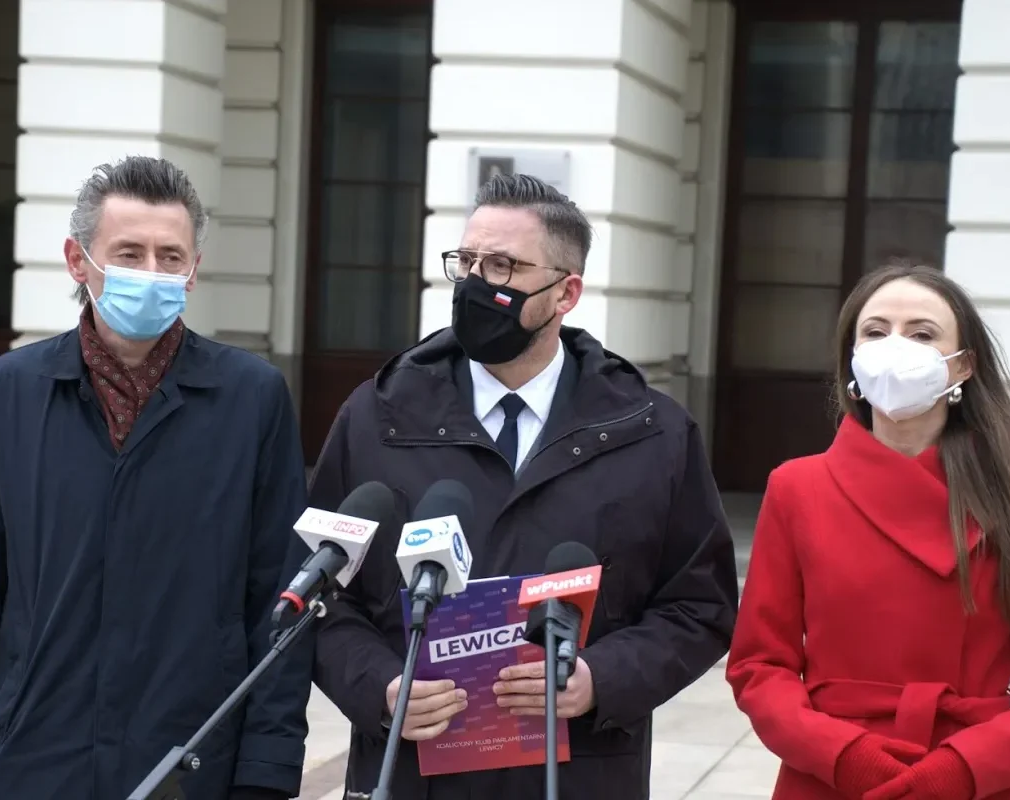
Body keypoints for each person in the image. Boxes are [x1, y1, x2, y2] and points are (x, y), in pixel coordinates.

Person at [308, 173, 739, 798]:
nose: (478, 283)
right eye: (468, 262)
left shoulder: (652, 432)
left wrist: (601, 679)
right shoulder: (378, 416)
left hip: (580, 773)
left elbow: (699, 607)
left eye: (504, 266)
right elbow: (320, 595)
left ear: (566, 293)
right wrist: (378, 686)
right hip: (409, 772)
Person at [0, 156, 313, 800]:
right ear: (78, 261)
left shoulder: (251, 399)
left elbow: (278, 602)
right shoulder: (7, 393)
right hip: (31, 758)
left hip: (190, 764)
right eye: (129, 253)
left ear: (193, 271)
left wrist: (267, 774)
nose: (151, 273)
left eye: (170, 257)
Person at [726, 261, 1010, 800]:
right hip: (830, 778)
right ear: (852, 358)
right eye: (874, 331)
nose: (895, 346)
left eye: (922, 334)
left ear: (962, 366)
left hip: (981, 779)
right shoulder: (797, 488)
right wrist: (845, 758)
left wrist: (964, 768)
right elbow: (760, 665)